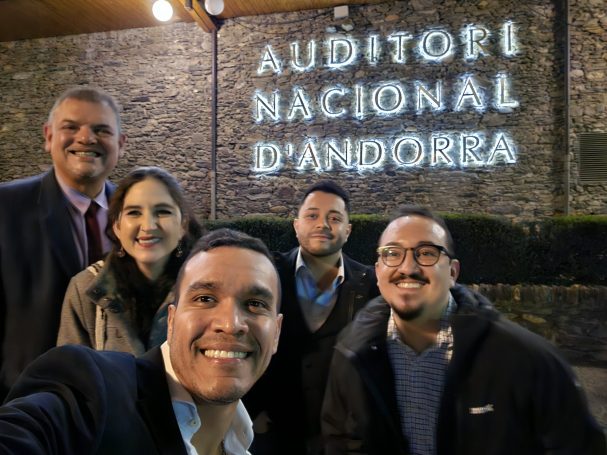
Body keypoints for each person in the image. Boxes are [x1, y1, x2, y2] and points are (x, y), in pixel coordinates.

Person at [321, 205, 607, 455]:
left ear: (453, 272)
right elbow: (343, 440)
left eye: (426, 253)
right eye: (392, 253)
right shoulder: (351, 350)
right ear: (379, 270)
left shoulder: (527, 360)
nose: (408, 267)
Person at [0, 228, 284, 454]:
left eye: (255, 304)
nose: (230, 324)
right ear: (171, 321)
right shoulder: (94, 391)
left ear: (276, 334)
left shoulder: (247, 445)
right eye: (205, 299)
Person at [0, 86, 126, 399]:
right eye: (71, 127)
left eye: (101, 130)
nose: (86, 138)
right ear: (48, 136)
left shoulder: (136, 214)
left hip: (118, 404)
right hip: (25, 405)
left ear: (120, 144)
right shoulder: (5, 208)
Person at [245, 180, 380, 455]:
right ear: (296, 225)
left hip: (343, 441)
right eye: (312, 215)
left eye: (334, 218)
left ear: (348, 230)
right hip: (272, 436)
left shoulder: (370, 285)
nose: (323, 224)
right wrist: (251, 411)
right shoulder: (267, 274)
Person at [57, 166, 203, 354]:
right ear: (117, 226)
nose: (148, 226)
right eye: (134, 212)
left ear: (183, 225)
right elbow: (69, 374)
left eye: (163, 211)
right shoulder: (85, 289)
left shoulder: (206, 285)